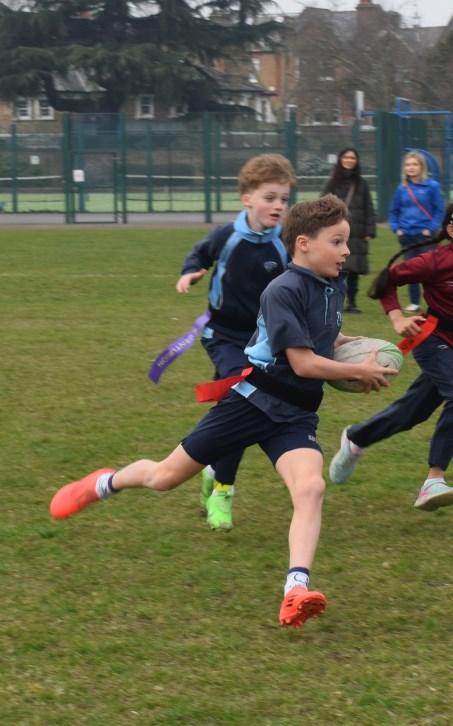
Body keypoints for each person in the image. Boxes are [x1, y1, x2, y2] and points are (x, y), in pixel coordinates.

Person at [49, 195, 396, 629]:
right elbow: (304, 362)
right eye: (337, 242)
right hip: (251, 403)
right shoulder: (283, 290)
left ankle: (295, 590)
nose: (346, 251)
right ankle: (105, 483)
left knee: (310, 488)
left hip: (296, 413)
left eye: (346, 242)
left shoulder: (333, 284)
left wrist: (352, 346)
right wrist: (355, 370)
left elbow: (323, 336)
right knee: (164, 478)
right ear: (304, 244)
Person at [175, 153, 296, 531]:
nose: (278, 206)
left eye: (284, 199)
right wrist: (191, 272)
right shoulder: (226, 236)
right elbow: (200, 254)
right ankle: (223, 490)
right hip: (223, 336)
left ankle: (212, 470)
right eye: (270, 198)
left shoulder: (286, 242)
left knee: (234, 410)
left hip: (265, 341)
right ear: (247, 198)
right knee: (243, 397)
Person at [329, 202, 453, 512]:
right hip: (434, 339)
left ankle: (357, 438)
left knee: (413, 412)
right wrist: (397, 318)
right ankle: (434, 480)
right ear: (450, 229)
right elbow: (387, 279)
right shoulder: (435, 262)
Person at [388, 150, 444, 313]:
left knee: (430, 270)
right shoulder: (402, 188)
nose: (411, 167)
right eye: (407, 164)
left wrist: (431, 228)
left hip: (426, 236)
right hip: (407, 236)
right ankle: (414, 302)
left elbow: (439, 210)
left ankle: (436, 302)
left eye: (414, 164)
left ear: (422, 167)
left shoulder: (432, 186)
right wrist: (396, 228)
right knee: (411, 270)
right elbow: (393, 210)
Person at [322, 147, 376, 314]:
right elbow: (322, 205)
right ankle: (334, 301)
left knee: (353, 271)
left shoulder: (362, 184)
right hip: (336, 233)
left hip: (356, 233)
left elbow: (368, 207)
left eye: (353, 158)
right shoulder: (332, 183)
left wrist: (369, 230)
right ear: (340, 159)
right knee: (336, 269)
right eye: (346, 157)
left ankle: (352, 302)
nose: (349, 160)